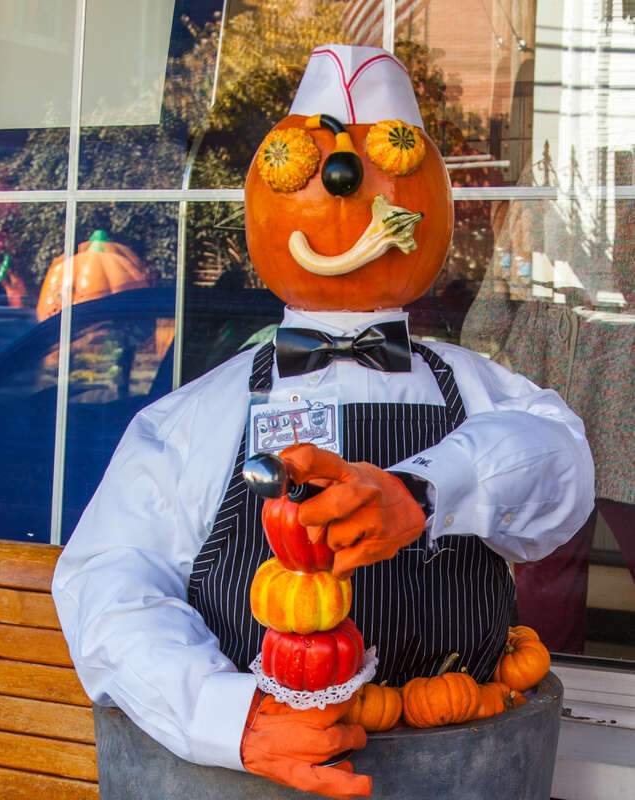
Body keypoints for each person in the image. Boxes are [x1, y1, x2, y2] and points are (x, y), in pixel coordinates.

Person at [52, 44, 594, 799]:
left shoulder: (480, 393)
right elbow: (111, 582)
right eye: (295, 162)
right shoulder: (192, 418)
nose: (340, 180)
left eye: (389, 158)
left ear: (432, 201)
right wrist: (224, 715)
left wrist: (424, 490)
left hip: (460, 764)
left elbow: (558, 463)